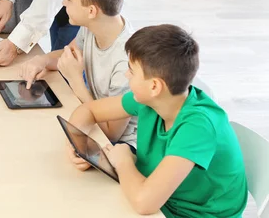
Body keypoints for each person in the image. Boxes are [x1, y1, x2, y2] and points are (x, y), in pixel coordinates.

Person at [67, 25, 248, 217]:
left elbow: (144, 204)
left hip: (192, 213)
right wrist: (75, 143)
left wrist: (124, 160)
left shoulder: (198, 127)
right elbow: (88, 110)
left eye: (131, 70)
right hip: (160, 197)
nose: (126, 75)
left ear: (154, 86)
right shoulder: (152, 100)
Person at [21, 0, 136, 148]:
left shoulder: (126, 64)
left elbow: (111, 134)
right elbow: (69, 55)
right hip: (93, 117)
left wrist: (75, 80)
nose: (63, 2)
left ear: (91, 11)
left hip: (123, 145)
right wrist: (41, 60)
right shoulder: (96, 26)